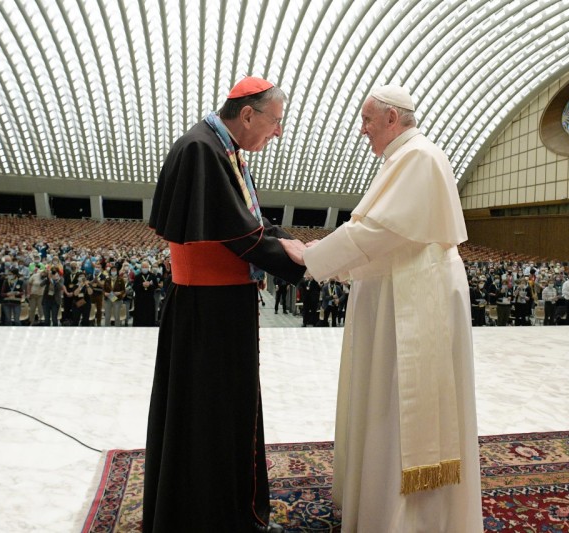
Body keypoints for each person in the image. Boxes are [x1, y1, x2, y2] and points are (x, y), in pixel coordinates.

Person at [282, 85, 483, 532]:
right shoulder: (402, 158)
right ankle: (377, 507)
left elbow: (378, 232)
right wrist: (327, 256)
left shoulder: (419, 157)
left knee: (401, 407)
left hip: (415, 297)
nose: (363, 130)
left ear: (392, 118)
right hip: (400, 289)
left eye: (367, 120)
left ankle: (411, 520)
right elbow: (375, 233)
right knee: (386, 404)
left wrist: (313, 256)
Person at [144, 76, 305, 533]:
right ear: (248, 114)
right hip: (209, 309)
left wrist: (291, 242)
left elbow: (250, 219)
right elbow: (239, 233)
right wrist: (297, 257)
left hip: (219, 306)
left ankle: (231, 512)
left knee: (228, 411)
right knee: (212, 416)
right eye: (275, 121)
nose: (278, 132)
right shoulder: (203, 149)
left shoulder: (222, 147)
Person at [131, 261, 157, 327]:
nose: (144, 268)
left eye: (146, 267)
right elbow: (134, 287)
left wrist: (149, 285)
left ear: (148, 267)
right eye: (143, 267)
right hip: (140, 299)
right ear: (141, 268)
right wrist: (142, 285)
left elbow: (156, 286)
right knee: (139, 315)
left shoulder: (152, 276)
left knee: (150, 314)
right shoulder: (137, 276)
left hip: (149, 299)